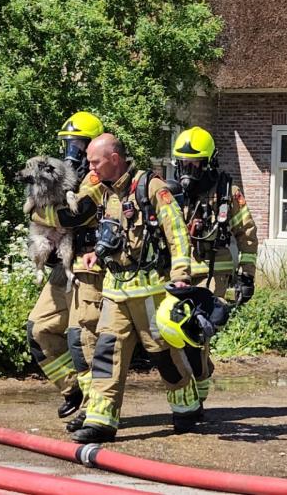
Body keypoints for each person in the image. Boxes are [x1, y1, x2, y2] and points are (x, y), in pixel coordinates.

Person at [71, 133, 201, 443]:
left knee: (163, 354)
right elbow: (111, 233)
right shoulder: (102, 191)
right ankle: (101, 420)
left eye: (95, 161)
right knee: (106, 352)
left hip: (149, 291)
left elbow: (177, 231)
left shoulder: (150, 187)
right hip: (115, 290)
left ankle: (187, 407)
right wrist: (95, 254)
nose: (90, 167)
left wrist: (181, 274)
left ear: (114, 159)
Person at [23, 111, 105, 419]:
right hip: (62, 264)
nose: (72, 150)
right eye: (67, 143)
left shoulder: (97, 177)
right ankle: (72, 389)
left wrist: (39, 214)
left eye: (78, 143)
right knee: (38, 329)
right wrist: (40, 212)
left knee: (80, 339)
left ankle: (94, 408)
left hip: (89, 265)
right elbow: (34, 202)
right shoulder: (58, 174)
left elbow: (75, 215)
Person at [169, 126, 259, 408]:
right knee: (173, 331)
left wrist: (246, 276)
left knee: (198, 328)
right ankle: (199, 371)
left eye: (194, 163)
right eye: (183, 163)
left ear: (208, 162)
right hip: (179, 274)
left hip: (213, 274)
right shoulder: (170, 194)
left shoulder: (226, 193)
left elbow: (247, 234)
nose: (188, 170)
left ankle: (200, 385)